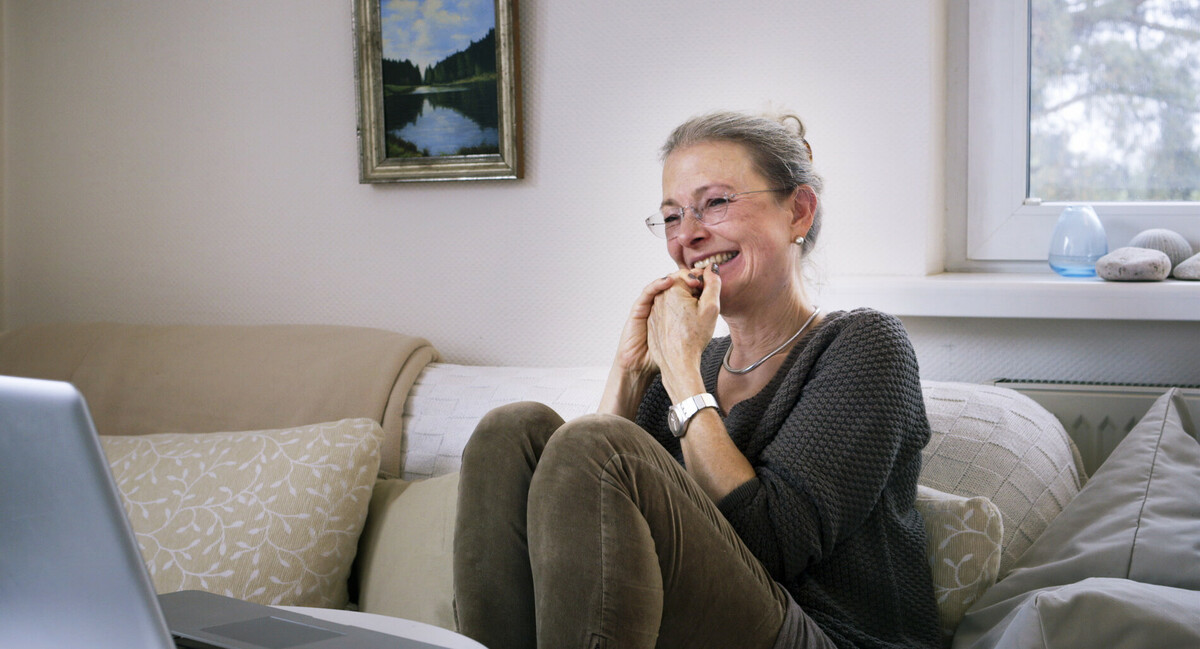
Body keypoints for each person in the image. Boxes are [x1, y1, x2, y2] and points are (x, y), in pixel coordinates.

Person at [453, 110, 942, 649]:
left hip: (826, 636)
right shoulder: (692, 360)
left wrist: (682, 372)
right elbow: (592, 510)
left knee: (599, 442)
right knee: (511, 430)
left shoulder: (864, 345)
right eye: (671, 216)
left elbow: (770, 546)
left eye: (716, 203)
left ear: (798, 211)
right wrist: (632, 370)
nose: (688, 234)